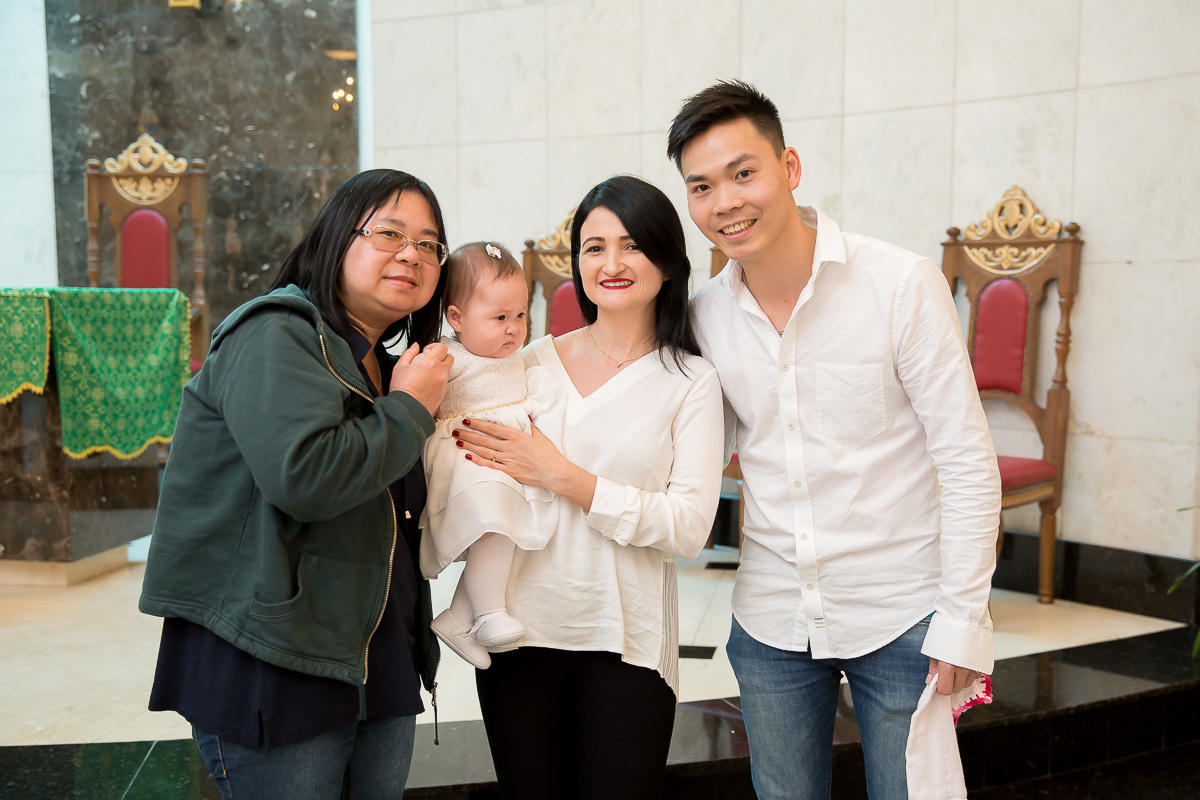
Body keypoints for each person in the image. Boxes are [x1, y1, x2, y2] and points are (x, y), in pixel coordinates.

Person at [670, 81, 1002, 800]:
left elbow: (969, 463)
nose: (724, 202)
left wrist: (963, 621)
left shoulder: (900, 284)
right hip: (771, 621)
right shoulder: (706, 318)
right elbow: (678, 451)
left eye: (742, 173)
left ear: (790, 167)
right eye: (701, 186)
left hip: (901, 613)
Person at [138, 169, 454, 800]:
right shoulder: (276, 332)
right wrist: (411, 410)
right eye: (389, 232)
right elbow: (306, 477)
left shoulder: (389, 367)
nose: (411, 254)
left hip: (374, 651)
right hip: (277, 659)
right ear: (337, 238)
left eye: (429, 244)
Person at [452, 175, 725, 799]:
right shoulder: (530, 362)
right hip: (517, 634)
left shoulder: (690, 381)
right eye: (594, 246)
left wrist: (565, 478)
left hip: (624, 645)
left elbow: (688, 529)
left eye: (631, 245)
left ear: (667, 259)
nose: (612, 263)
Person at [420, 241, 565, 669]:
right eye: (500, 318)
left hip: (507, 462)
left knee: (505, 533)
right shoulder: (448, 357)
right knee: (493, 530)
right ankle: (487, 614)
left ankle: (457, 617)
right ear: (457, 318)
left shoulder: (519, 357)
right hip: (469, 458)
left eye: (520, 316)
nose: (514, 329)